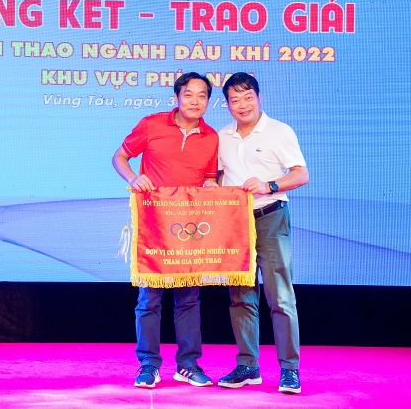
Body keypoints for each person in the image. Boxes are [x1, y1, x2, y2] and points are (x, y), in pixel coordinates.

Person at [112, 72, 219, 389]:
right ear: (176, 97)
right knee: (150, 299)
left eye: (202, 96)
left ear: (208, 101)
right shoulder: (152, 124)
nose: (195, 101)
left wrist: (212, 188)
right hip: (153, 225)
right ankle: (148, 365)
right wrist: (134, 178)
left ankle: (188, 364)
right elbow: (119, 157)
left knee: (189, 299)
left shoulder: (211, 137)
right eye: (189, 94)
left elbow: (209, 179)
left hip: (190, 228)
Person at [215, 72, 309, 394]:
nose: (242, 105)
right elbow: (218, 176)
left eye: (247, 97)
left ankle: (289, 369)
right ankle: (248, 366)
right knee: (241, 295)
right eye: (235, 100)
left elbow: (301, 174)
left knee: (279, 295)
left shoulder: (279, 131)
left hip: (270, 216)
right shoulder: (222, 136)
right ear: (227, 105)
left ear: (259, 98)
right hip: (235, 222)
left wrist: (269, 185)